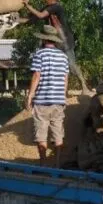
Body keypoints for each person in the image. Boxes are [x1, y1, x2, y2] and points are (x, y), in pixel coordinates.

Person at [23, 0, 88, 91]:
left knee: (71, 65)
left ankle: (84, 86)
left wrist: (28, 6)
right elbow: (31, 20)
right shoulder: (46, 8)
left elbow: (40, 15)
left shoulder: (56, 7)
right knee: (48, 63)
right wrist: (16, 20)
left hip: (65, 41)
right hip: (53, 41)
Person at [26, 25, 70, 167]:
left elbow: (36, 75)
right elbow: (65, 78)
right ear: (54, 40)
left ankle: (43, 165)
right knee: (58, 135)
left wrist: (30, 96)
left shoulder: (39, 54)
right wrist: (63, 97)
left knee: (41, 135)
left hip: (42, 102)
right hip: (58, 102)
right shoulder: (64, 57)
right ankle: (57, 166)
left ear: (43, 39)